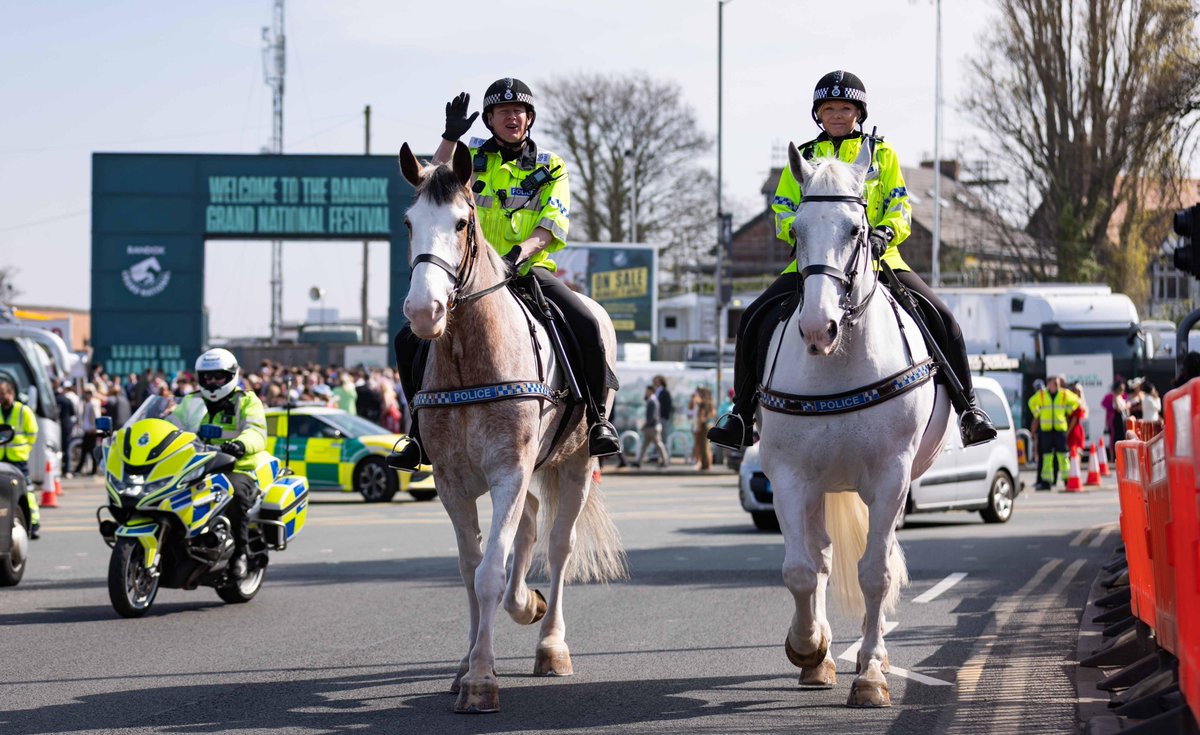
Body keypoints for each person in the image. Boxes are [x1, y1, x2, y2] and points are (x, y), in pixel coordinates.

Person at [708, 70, 996, 452]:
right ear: (818, 114)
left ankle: (969, 411)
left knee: (943, 319)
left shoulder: (882, 153)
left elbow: (899, 205)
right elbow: (781, 208)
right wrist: (801, 231)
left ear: (859, 112)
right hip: (812, 263)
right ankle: (741, 415)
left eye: (846, 108)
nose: (838, 115)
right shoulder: (804, 158)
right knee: (751, 319)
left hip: (879, 259)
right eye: (829, 108)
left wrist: (884, 234)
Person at [390, 78, 620, 471]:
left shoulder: (552, 166)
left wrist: (517, 255)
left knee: (586, 325)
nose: (511, 117)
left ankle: (598, 421)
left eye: (519, 112)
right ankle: (418, 434)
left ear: (529, 119)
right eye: (502, 112)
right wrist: (448, 136)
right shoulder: (470, 154)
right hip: (468, 277)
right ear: (491, 120)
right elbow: (430, 179)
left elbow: (551, 224)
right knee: (407, 340)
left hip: (527, 270)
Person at [167, 348, 269, 579]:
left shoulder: (246, 401)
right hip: (195, 465)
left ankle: (240, 554)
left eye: (218, 377)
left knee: (236, 495)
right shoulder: (192, 401)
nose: (212, 382)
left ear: (231, 375)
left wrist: (241, 444)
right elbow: (173, 425)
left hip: (235, 466)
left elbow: (256, 431)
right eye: (207, 377)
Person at [0, 376, 40, 539]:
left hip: (18, 460)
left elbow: (33, 434)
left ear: (12, 393)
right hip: (2, 459)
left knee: (27, 492)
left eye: (3, 394)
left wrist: (24, 450)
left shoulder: (23, 411)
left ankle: (34, 522)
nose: (1, 398)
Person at [1028, 376, 1080, 491]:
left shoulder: (1064, 394)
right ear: (1048, 384)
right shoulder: (1042, 394)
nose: (1055, 385)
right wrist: (1037, 413)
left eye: (1057, 383)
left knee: (1063, 455)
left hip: (1059, 429)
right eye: (1053, 383)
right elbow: (1031, 402)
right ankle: (1047, 481)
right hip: (1046, 430)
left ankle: (1067, 479)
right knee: (1047, 456)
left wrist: (1069, 410)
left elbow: (1077, 400)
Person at [633, 385, 668, 468]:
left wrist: (644, 425)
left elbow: (651, 416)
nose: (646, 392)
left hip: (652, 427)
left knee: (658, 444)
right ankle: (639, 461)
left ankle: (665, 460)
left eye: (647, 391)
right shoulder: (654, 400)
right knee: (646, 445)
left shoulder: (652, 401)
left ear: (651, 391)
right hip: (652, 426)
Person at [74, 386, 102, 476]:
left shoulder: (94, 403)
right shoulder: (86, 403)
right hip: (87, 430)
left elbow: (97, 417)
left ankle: (93, 470)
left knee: (91, 451)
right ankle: (80, 469)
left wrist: (94, 428)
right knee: (85, 450)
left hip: (91, 431)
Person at [1100, 379, 1128, 460]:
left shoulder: (1121, 397)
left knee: (1122, 436)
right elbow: (1119, 409)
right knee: (1117, 436)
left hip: (1122, 419)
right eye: (1121, 389)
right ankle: (1116, 456)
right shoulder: (1116, 397)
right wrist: (1126, 407)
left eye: (1123, 389)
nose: (1122, 391)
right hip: (1117, 418)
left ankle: (1121, 455)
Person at [691, 387, 715, 471]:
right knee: (708, 446)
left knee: (703, 446)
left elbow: (700, 415)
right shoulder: (710, 402)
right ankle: (708, 465)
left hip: (704, 425)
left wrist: (698, 426)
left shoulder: (703, 403)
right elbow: (713, 413)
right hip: (710, 424)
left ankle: (706, 466)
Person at [1067, 381, 1088, 460]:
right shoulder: (1078, 403)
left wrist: (1068, 432)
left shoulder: (1078, 404)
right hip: (1076, 429)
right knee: (1075, 451)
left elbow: (1074, 420)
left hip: (1074, 430)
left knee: (1075, 450)